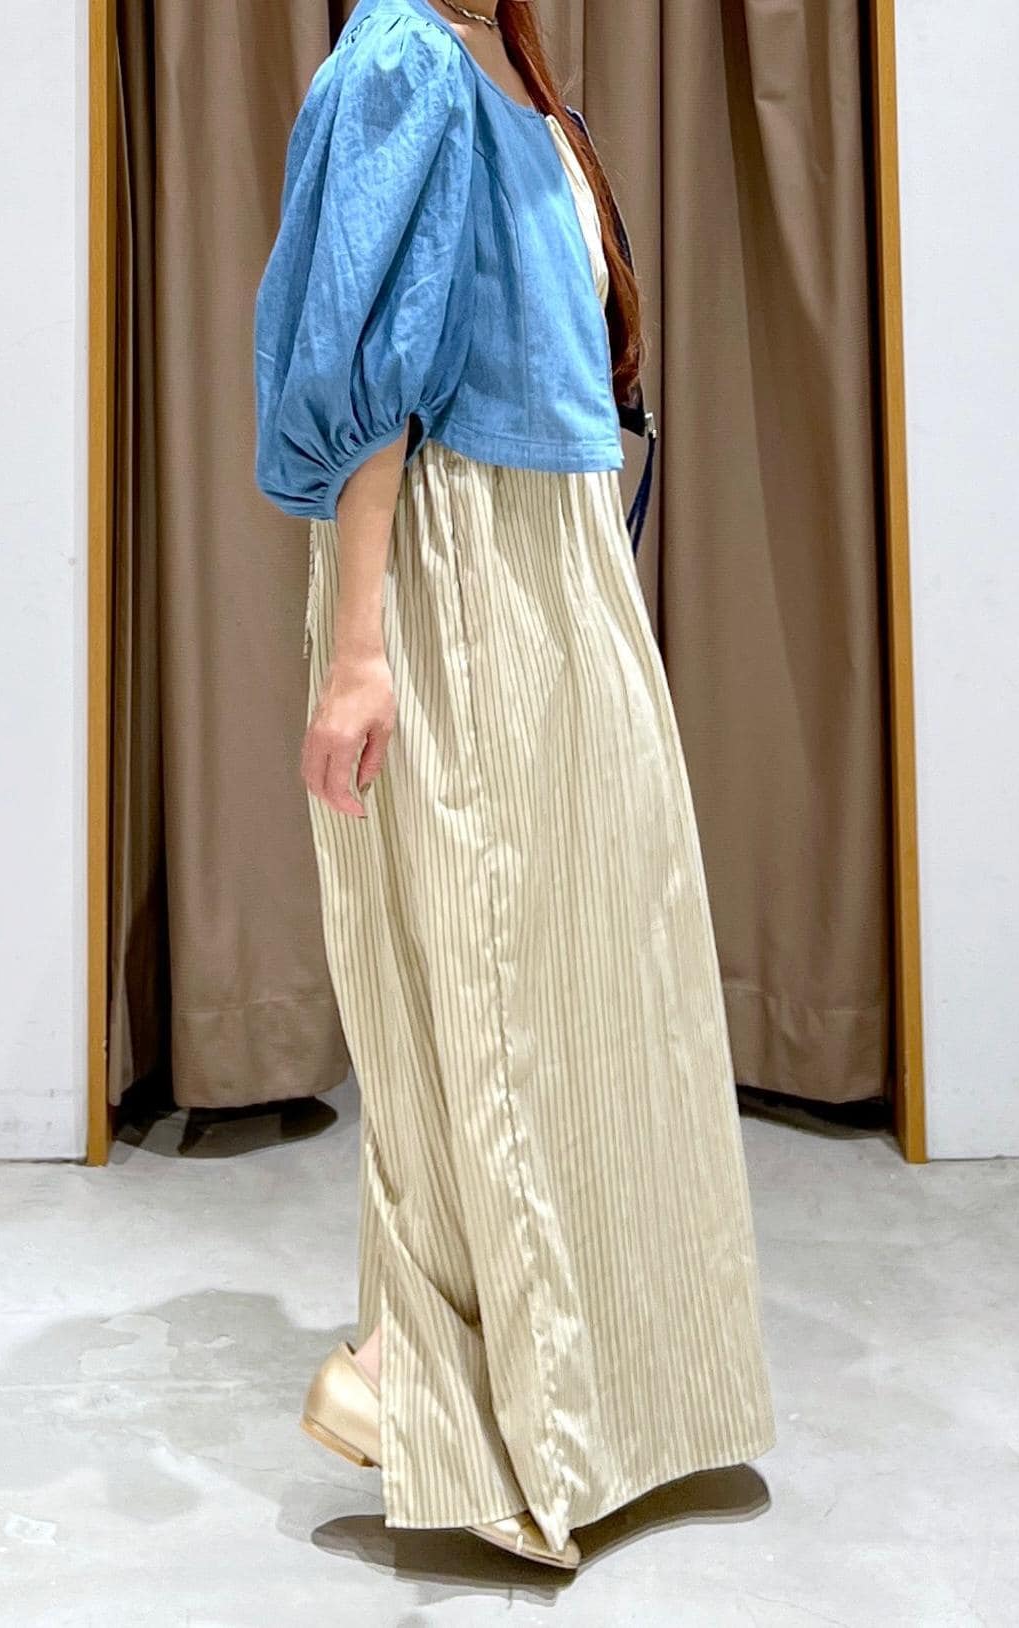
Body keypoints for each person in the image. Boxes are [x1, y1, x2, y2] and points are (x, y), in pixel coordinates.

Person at [254, 0, 776, 1573]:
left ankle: (562, 1391)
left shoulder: (506, 63)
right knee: (488, 973)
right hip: (455, 557)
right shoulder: (405, 58)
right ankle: (434, 1385)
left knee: (592, 970)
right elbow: (370, 369)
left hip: (551, 555)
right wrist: (360, 646)